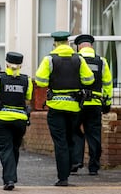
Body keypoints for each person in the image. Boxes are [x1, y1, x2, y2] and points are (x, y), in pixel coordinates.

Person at [35, 31, 95, 186]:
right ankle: (70, 167)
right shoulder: (79, 59)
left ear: (55, 43)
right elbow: (89, 80)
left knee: (60, 142)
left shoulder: (49, 59)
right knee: (71, 138)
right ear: (68, 43)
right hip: (74, 107)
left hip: (56, 107)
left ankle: (63, 177)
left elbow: (40, 81)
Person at [0, 52, 33, 191]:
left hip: (2, 120)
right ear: (20, 65)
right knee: (14, 148)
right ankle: (11, 176)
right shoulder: (27, 80)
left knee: (5, 149)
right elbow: (28, 96)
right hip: (20, 120)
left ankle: (9, 179)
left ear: (7, 64)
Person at [71, 34, 113, 175]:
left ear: (79, 46)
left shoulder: (75, 59)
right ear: (91, 46)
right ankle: (94, 167)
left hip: (77, 103)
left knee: (74, 131)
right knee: (94, 134)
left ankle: (76, 161)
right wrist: (107, 103)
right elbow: (107, 84)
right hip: (95, 103)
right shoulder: (102, 61)